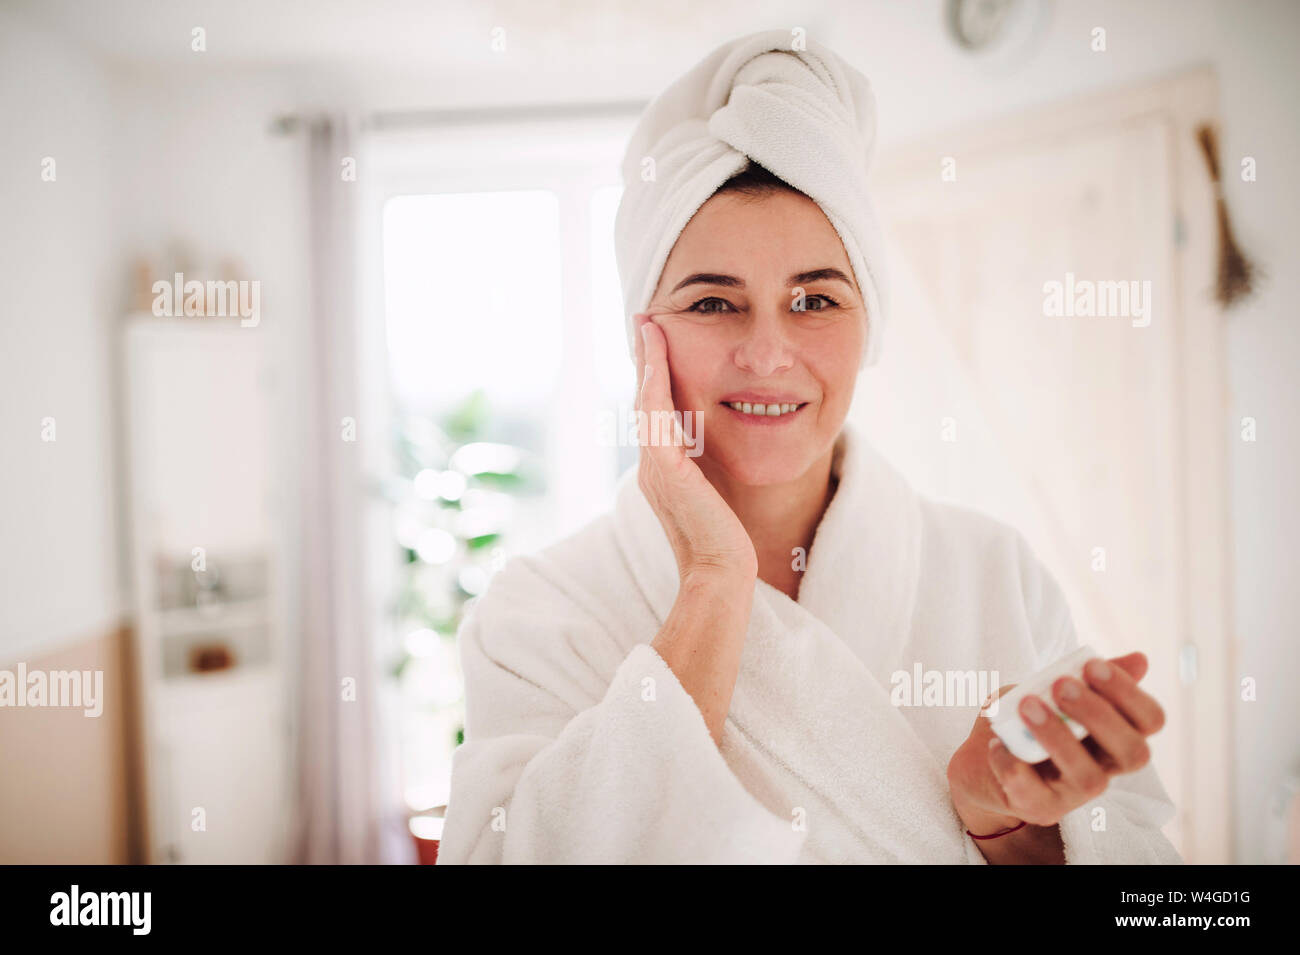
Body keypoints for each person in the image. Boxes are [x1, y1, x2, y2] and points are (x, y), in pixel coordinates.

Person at [436, 30, 1183, 865]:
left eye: (816, 300)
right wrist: (714, 586)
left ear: (870, 328)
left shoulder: (991, 569)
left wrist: (1003, 822)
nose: (766, 352)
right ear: (643, 337)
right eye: (714, 303)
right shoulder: (540, 613)